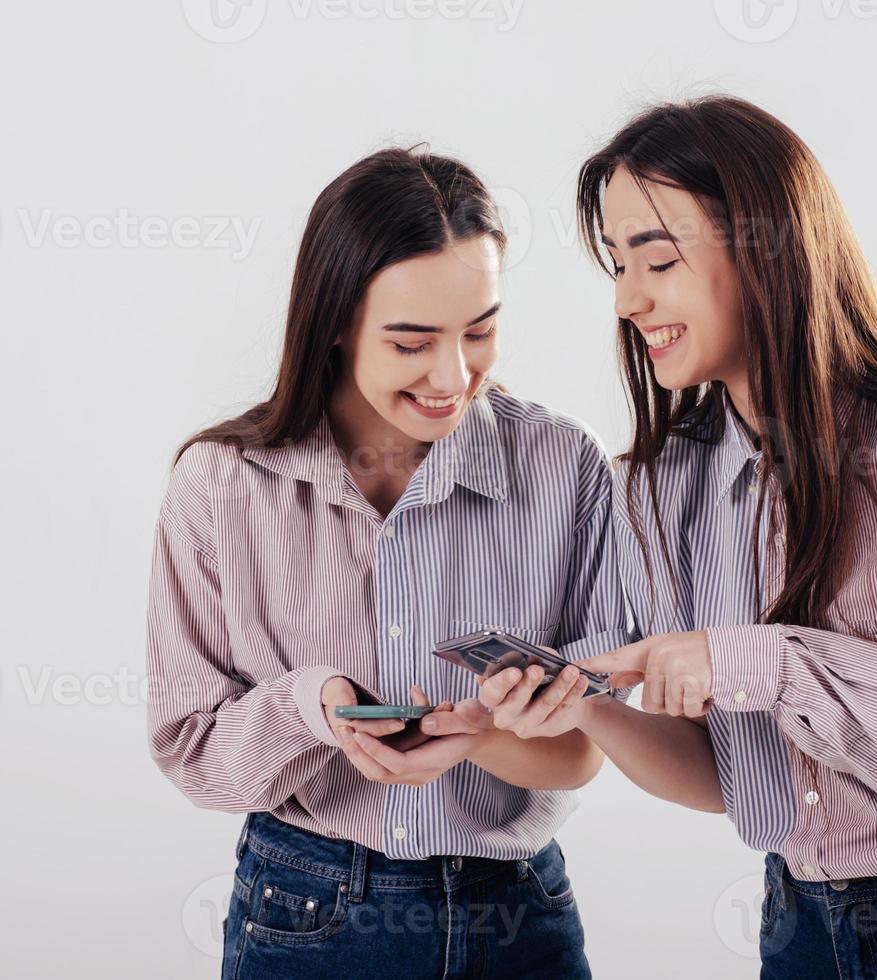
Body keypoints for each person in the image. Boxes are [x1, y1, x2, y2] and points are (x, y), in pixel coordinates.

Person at [480, 95, 877, 978]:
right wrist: (586, 703)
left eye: (657, 259)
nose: (629, 299)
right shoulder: (661, 488)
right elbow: (733, 777)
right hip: (801, 921)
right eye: (617, 266)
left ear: (765, 253)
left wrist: (760, 661)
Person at [145, 146, 628, 979]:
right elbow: (189, 746)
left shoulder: (565, 467)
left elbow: (587, 745)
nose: (453, 374)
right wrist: (310, 707)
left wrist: (477, 735)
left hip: (517, 916)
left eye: (480, 331)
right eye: (411, 343)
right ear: (335, 322)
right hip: (307, 912)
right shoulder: (221, 484)